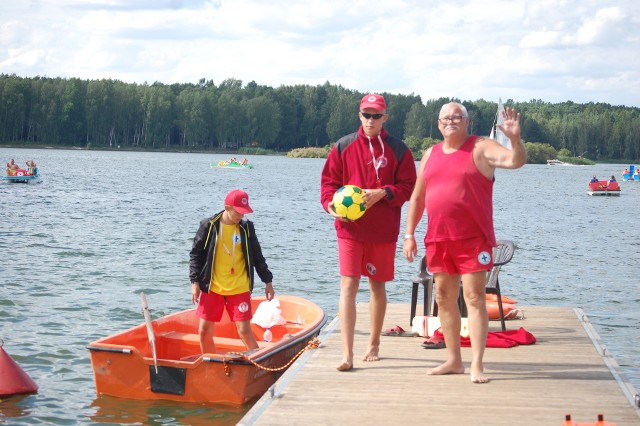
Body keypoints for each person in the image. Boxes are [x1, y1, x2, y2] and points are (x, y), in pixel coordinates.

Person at [402, 102, 526, 383]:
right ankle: (454, 360)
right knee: (444, 298)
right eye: (445, 118)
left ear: (467, 122)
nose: (451, 121)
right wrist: (409, 234)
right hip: (438, 238)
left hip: (473, 239)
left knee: (474, 298)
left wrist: (515, 139)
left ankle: (477, 364)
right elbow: (418, 198)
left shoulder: (481, 147)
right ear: (438, 123)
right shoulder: (430, 153)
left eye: (457, 117)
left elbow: (515, 161)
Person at [320, 93, 417, 371]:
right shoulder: (343, 146)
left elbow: (409, 186)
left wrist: (384, 193)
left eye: (376, 115)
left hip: (383, 231)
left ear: (385, 117)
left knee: (377, 286)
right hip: (349, 229)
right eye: (366, 115)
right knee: (348, 285)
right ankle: (347, 354)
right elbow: (328, 184)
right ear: (359, 115)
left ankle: (373, 343)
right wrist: (330, 206)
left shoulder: (399, 150)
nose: (371, 120)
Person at [189, 189, 275, 354]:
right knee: (204, 331)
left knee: (244, 331)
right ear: (227, 207)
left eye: (244, 213)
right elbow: (195, 255)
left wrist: (268, 282)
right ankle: (210, 366)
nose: (241, 216)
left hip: (239, 287)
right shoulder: (209, 225)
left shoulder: (247, 228)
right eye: (238, 212)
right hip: (212, 286)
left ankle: (258, 362)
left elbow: (258, 257)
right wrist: (195, 282)